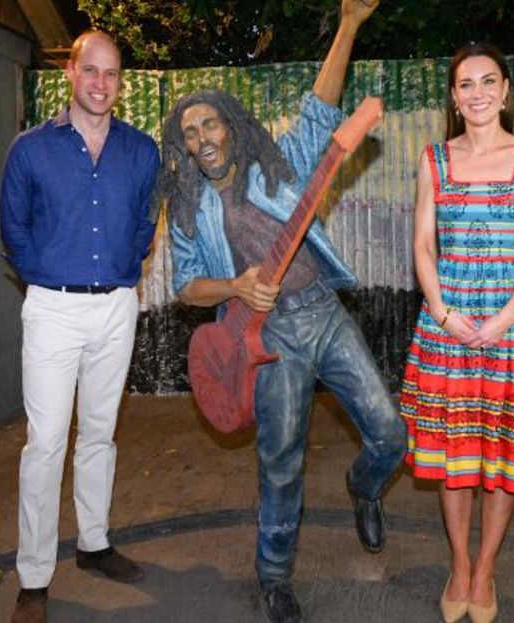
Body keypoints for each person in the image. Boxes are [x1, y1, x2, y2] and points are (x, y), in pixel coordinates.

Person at [157, 1, 404, 621]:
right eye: (188, 133)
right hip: (267, 340)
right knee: (281, 463)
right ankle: (274, 579)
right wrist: (236, 287)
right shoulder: (188, 209)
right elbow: (186, 287)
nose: (201, 140)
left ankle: (363, 487)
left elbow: (321, 108)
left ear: (231, 126)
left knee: (390, 434)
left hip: (324, 312)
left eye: (209, 124)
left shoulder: (278, 164)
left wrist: (348, 25)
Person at [0, 30, 160, 623]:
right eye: (90, 70)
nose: (100, 83)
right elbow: (12, 228)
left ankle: (94, 543)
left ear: (121, 81)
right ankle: (34, 576)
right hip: (52, 308)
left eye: (111, 74)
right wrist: (43, 273)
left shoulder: (141, 151)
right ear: (70, 71)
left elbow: (147, 218)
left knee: (99, 433)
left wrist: (126, 264)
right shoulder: (31, 150)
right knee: (45, 445)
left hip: (116, 305)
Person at [399, 42, 514, 623]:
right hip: (448, 328)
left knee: (505, 458)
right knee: (453, 456)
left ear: (506, 90)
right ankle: (460, 564)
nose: (478, 93)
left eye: (488, 81)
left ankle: (486, 568)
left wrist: (503, 318)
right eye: (466, 84)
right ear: (453, 97)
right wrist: (442, 312)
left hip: (510, 328)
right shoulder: (434, 160)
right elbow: (422, 244)